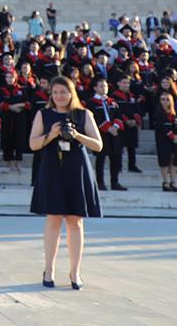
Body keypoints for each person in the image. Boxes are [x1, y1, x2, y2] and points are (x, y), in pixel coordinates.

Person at [29, 76, 103, 290]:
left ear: (72, 93)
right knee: (53, 218)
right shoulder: (43, 114)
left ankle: (75, 271)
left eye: (63, 92)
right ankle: (49, 268)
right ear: (50, 95)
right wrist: (50, 135)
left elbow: (98, 145)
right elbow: (33, 144)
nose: (59, 96)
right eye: (55, 92)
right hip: (53, 168)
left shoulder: (83, 114)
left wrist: (77, 134)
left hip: (76, 169)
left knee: (75, 221)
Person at [88, 78, 127, 191]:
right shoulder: (92, 102)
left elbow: (118, 116)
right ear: (95, 88)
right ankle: (100, 183)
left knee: (115, 158)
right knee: (101, 159)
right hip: (101, 134)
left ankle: (115, 182)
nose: (104, 88)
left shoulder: (112, 102)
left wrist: (115, 127)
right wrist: (107, 128)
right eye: (101, 86)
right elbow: (94, 118)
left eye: (105, 86)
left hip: (114, 134)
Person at [151, 90, 177, 192]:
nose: (165, 101)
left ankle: (173, 182)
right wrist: (171, 136)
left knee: (174, 161)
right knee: (164, 162)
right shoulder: (158, 114)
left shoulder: (176, 116)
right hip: (163, 141)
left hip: (175, 142)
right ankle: (165, 182)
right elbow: (161, 127)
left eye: (167, 99)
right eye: (163, 99)